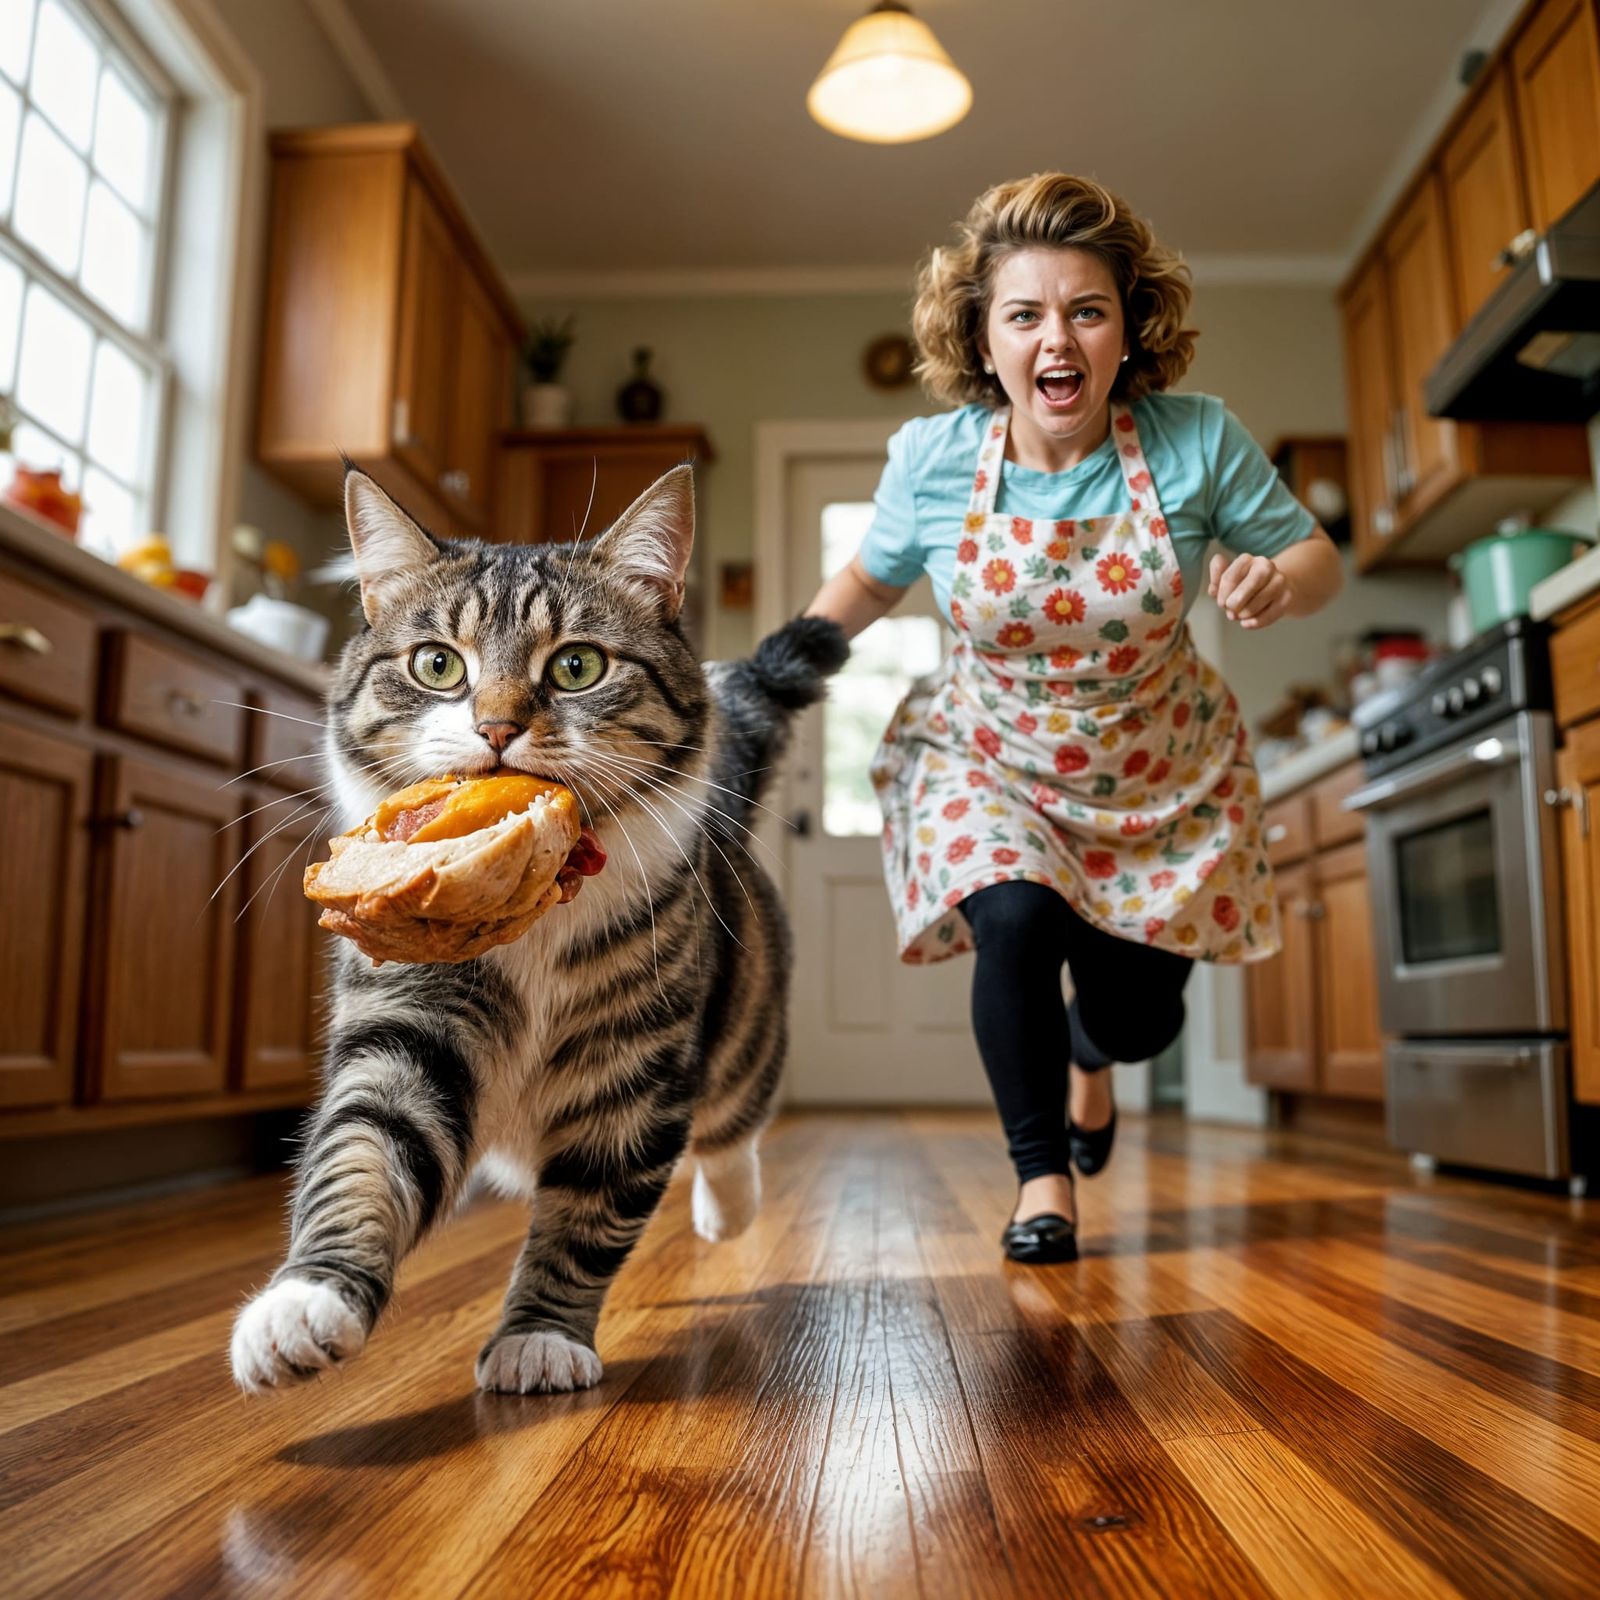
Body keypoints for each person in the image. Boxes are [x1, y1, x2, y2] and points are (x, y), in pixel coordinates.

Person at [804, 174, 1343, 1263]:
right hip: (988, 754)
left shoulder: (1195, 440)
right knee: (1009, 919)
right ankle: (1040, 1177)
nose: (1058, 337)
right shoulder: (936, 458)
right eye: (1025, 314)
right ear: (984, 339)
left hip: (1160, 775)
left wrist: (1282, 581)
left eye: (1085, 310)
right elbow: (866, 583)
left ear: (1125, 329)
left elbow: (1315, 554)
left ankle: (1092, 1057)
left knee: (1140, 1019)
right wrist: (775, 671)